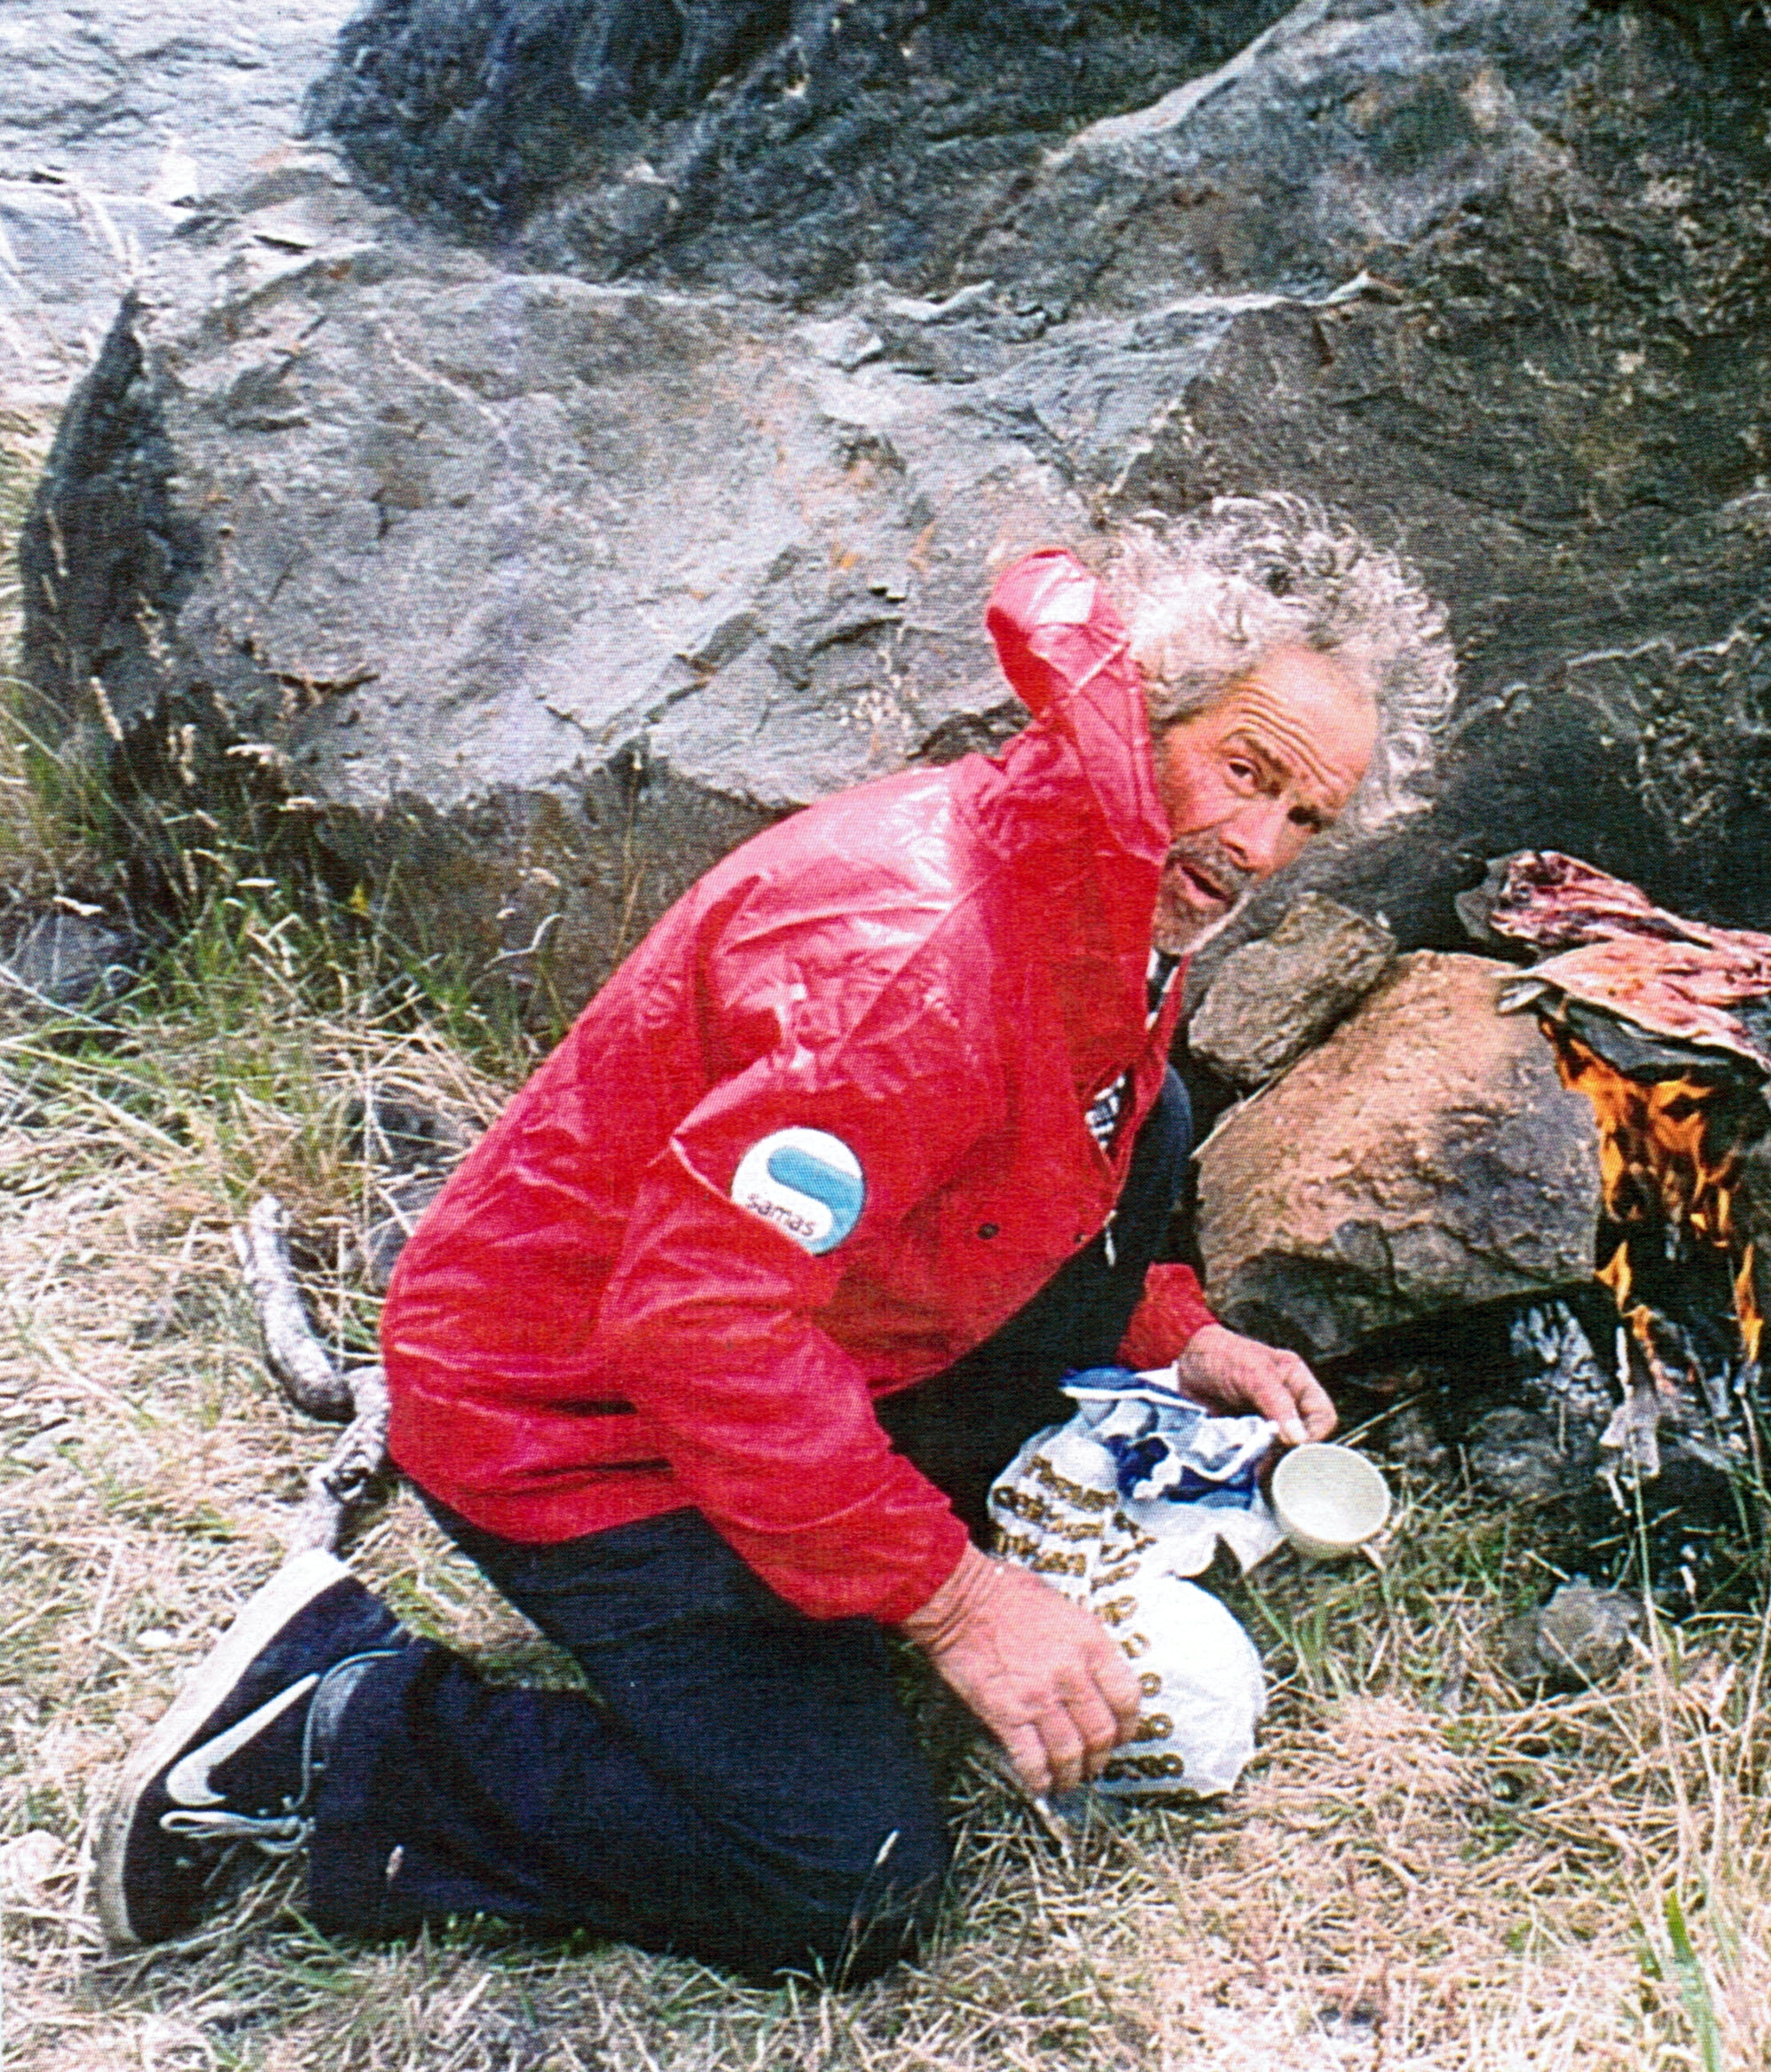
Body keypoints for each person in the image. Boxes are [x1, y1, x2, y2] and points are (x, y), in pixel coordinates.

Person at [95, 495, 1453, 1981]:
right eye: (1243, 771)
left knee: (1158, 1115)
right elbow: (700, 1330)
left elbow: (1067, 1153)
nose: (1256, 845)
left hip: (774, 1337)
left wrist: (1166, 1329)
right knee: (845, 1875)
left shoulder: (1098, 890)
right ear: (1147, 710)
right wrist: (956, 1598)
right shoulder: (910, 969)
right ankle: (333, 1729)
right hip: (562, 1413)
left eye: (1306, 817)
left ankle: (886, 1536)